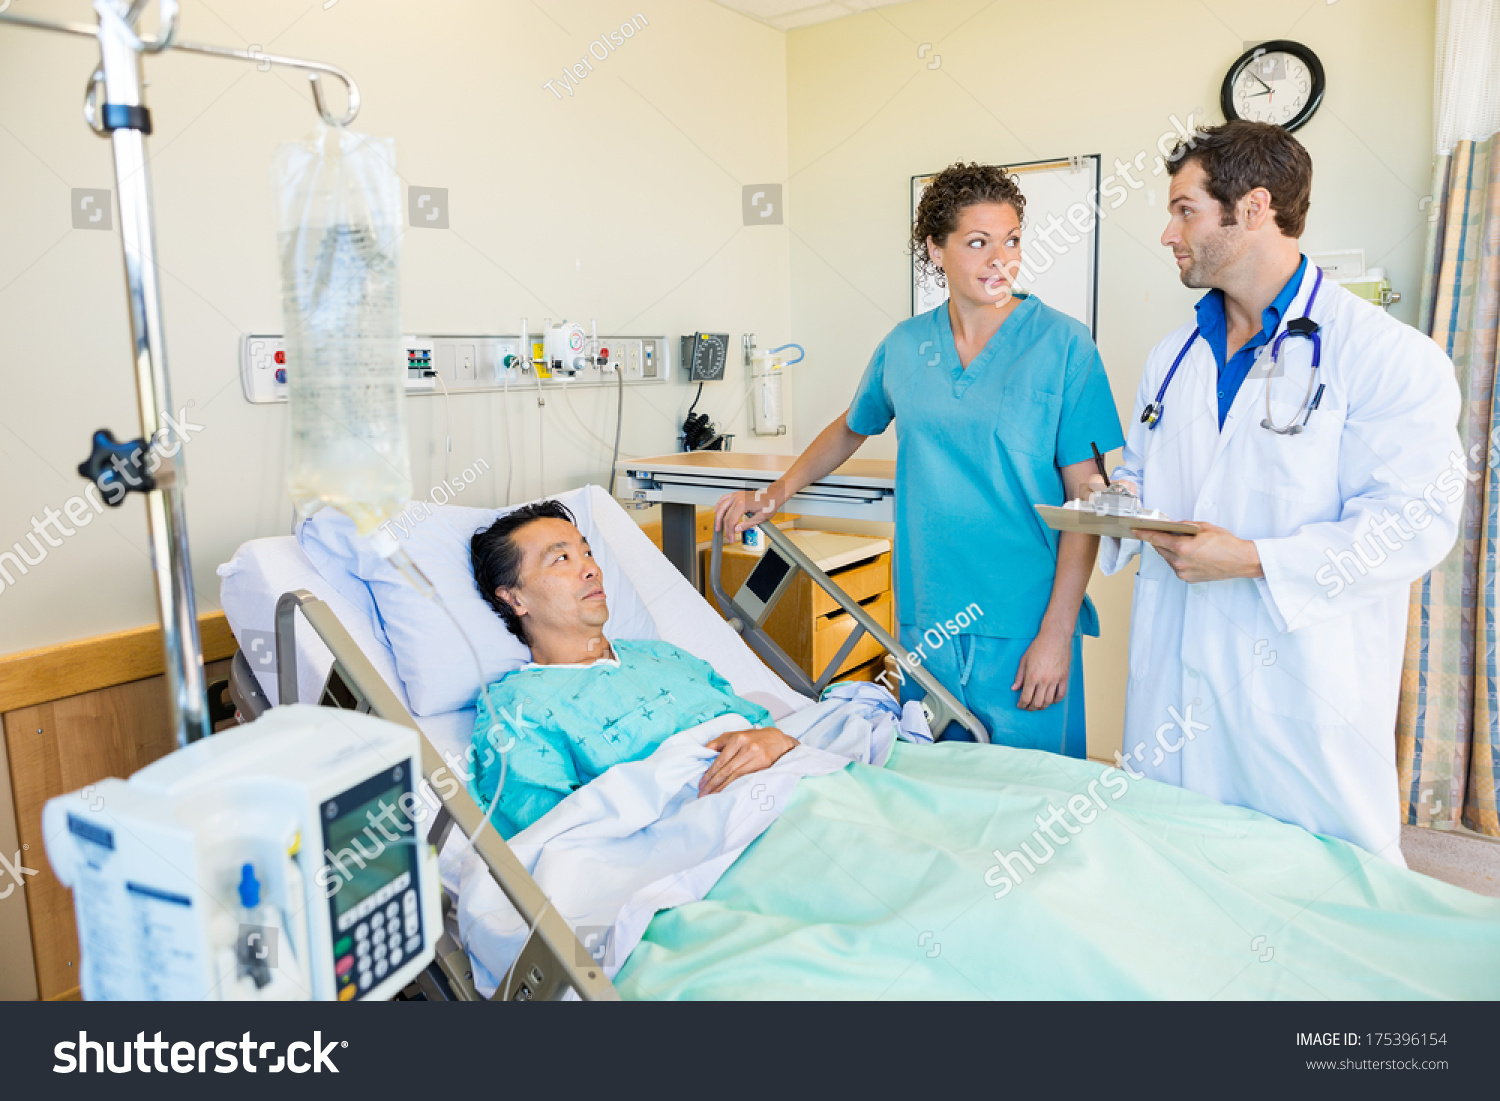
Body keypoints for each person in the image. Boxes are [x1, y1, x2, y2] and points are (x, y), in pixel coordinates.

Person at [1093, 120, 1461, 865]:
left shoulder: (1386, 356)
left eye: (1184, 209)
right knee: (1174, 878)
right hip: (1173, 674)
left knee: (1316, 897)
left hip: (1298, 683)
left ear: (1253, 208)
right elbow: (1149, 466)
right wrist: (1120, 497)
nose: (1168, 233)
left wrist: (1257, 558)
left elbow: (1414, 521)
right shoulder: (1173, 356)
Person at [715, 162, 1123, 757]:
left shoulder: (1063, 345)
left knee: (1030, 794)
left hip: (1026, 614)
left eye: (1011, 241)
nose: (1000, 260)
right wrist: (770, 496)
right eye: (978, 243)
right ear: (936, 249)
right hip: (930, 611)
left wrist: (1057, 633)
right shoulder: (905, 347)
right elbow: (850, 428)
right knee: (931, 784)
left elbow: (1084, 496)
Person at [466, 500, 798, 837]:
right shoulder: (519, 708)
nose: (591, 569)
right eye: (561, 558)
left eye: (588, 552)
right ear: (514, 599)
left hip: (796, 789)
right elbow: (551, 838)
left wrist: (777, 740)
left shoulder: (663, 655)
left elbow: (761, 728)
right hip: (715, 840)